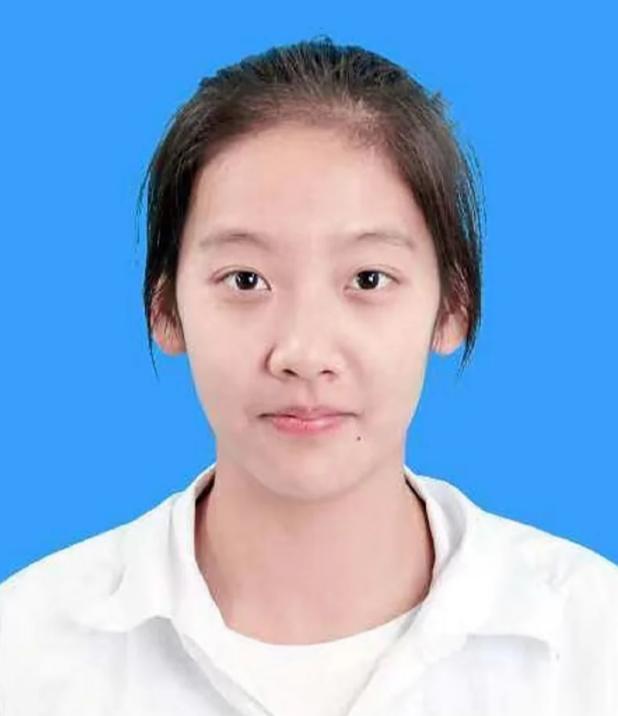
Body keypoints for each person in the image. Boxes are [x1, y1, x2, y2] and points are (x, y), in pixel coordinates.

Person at [0, 36, 616, 716]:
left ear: (452, 309)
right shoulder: (25, 651)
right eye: (246, 280)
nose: (302, 350)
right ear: (165, 310)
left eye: (368, 279)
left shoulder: (593, 642)